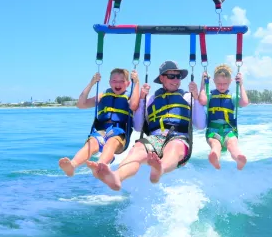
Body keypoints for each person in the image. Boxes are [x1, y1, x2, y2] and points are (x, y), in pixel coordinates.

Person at [87, 60, 205, 190]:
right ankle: (117, 176)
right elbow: (138, 126)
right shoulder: (151, 99)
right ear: (162, 78)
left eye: (179, 77)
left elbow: (200, 125)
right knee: (136, 150)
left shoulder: (188, 97)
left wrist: (196, 96)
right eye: (171, 76)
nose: (176, 80)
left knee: (174, 147)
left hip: (178, 137)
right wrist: (142, 98)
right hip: (155, 137)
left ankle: (160, 169)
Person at [58, 68, 140, 177]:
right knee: (92, 142)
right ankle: (72, 165)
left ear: (128, 83)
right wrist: (92, 83)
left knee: (111, 141)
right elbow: (81, 104)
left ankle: (100, 166)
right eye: (114, 81)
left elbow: (134, 105)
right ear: (110, 82)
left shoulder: (130, 96)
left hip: (120, 132)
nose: (118, 84)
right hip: (102, 130)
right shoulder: (103, 95)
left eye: (122, 81)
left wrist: (137, 82)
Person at [198, 64, 249, 170]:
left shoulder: (233, 96)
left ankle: (239, 158)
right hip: (213, 130)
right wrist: (203, 83)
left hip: (229, 130)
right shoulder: (210, 95)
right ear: (214, 82)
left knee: (232, 145)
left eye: (225, 84)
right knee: (215, 144)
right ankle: (214, 157)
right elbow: (202, 100)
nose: (222, 86)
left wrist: (241, 85)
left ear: (230, 82)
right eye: (219, 84)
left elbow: (244, 103)